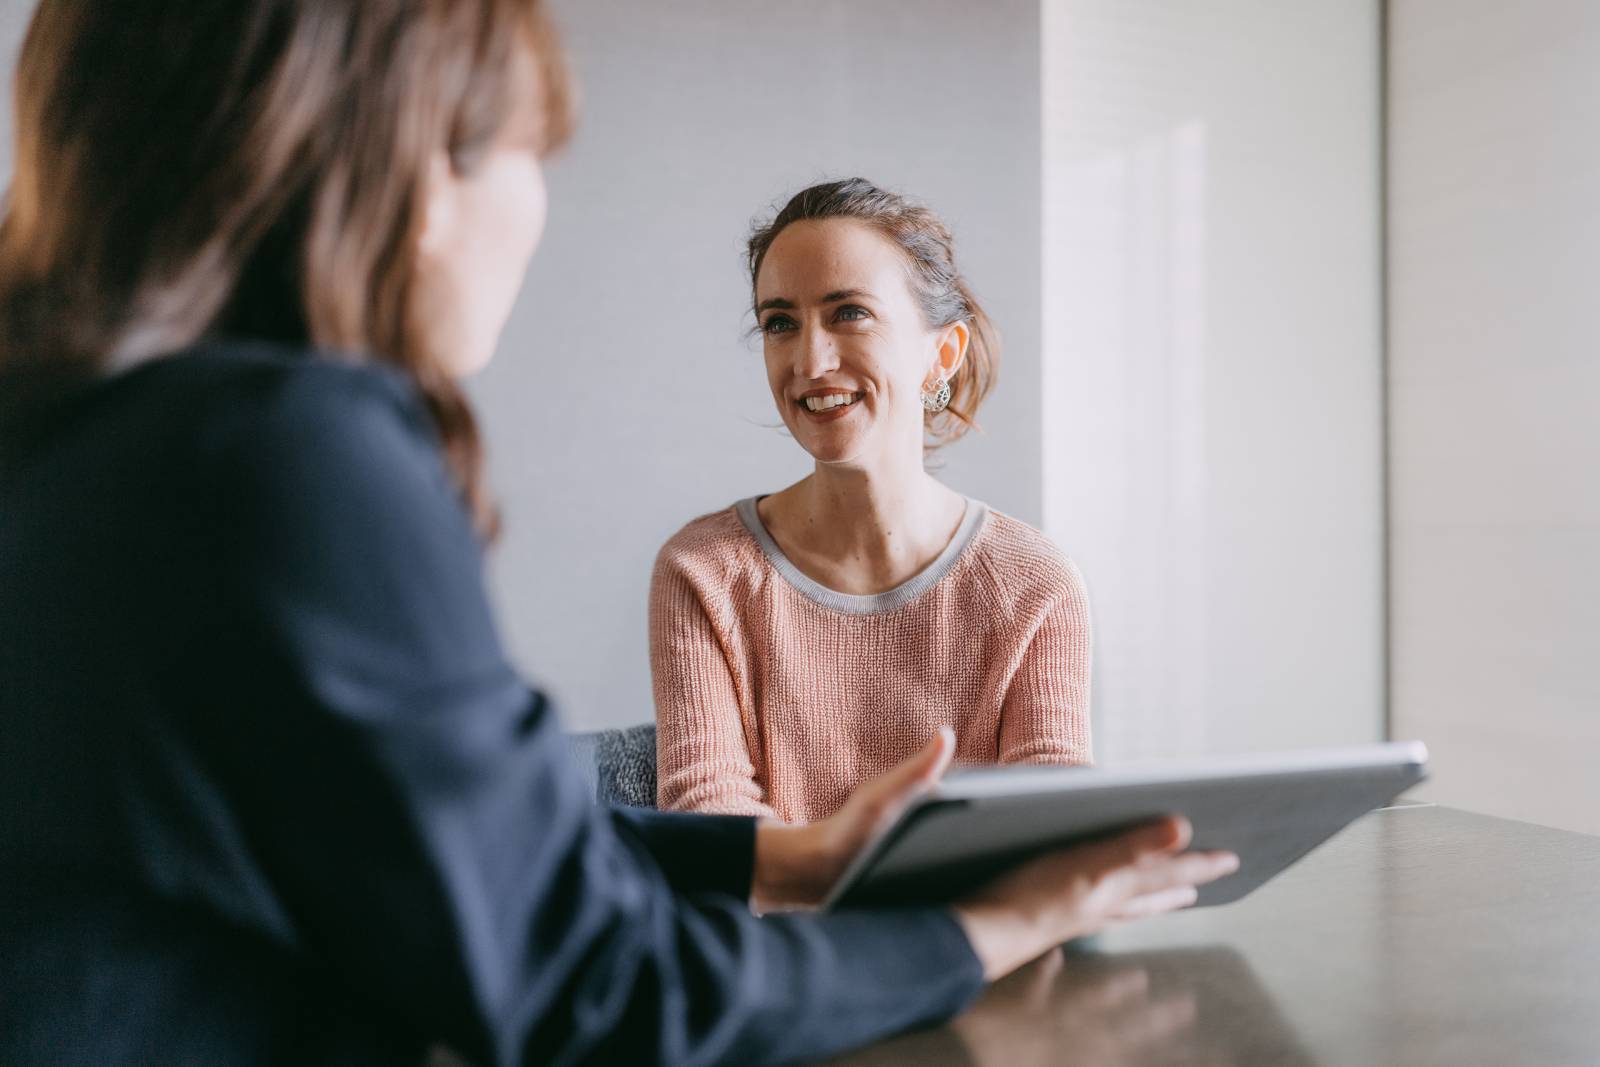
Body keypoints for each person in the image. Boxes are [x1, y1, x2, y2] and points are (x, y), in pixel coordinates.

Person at [0, 2, 1238, 1065]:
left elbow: (471, 849)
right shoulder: (286, 453)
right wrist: (986, 932)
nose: (535, 211)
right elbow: (591, 983)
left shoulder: (89, 434)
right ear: (418, 173)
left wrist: (787, 859)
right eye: (530, 152)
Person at [654, 179, 1091, 822]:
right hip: (772, 927)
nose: (808, 360)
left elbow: (1049, 830)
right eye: (780, 323)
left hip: (963, 926)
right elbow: (706, 814)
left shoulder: (1035, 585)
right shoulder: (704, 570)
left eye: (848, 313)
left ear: (941, 354)